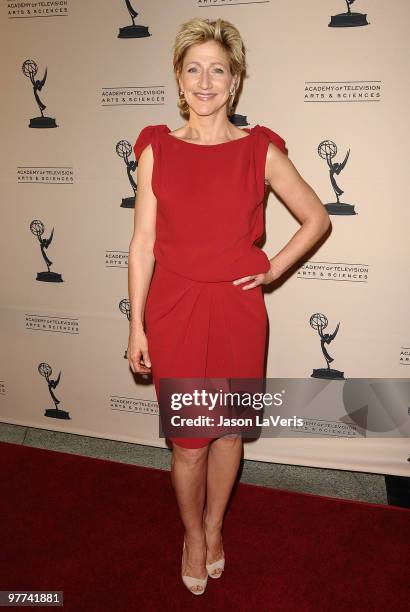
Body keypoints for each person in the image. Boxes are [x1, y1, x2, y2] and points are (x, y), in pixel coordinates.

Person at [127, 17, 331, 595]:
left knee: (230, 435)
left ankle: (216, 527)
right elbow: (143, 244)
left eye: (219, 69)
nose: (206, 81)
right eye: (194, 69)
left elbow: (316, 218)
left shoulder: (260, 149)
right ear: (178, 78)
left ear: (235, 81)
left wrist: (271, 269)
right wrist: (135, 323)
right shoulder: (156, 148)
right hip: (174, 309)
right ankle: (192, 534)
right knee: (190, 443)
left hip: (238, 311)